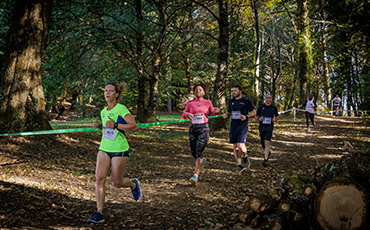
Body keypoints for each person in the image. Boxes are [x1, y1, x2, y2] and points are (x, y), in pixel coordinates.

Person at [88, 82, 141, 223]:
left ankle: (133, 184)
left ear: (116, 94)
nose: (107, 93)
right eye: (106, 90)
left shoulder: (121, 109)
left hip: (119, 149)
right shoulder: (103, 111)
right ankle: (99, 213)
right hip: (104, 147)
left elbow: (134, 126)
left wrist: (116, 124)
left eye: (111, 91)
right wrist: (99, 126)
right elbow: (108, 129)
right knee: (99, 179)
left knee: (117, 183)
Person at [182, 83, 220, 185]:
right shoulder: (190, 103)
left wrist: (216, 111)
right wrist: (187, 114)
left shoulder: (208, 102)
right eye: (196, 90)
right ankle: (201, 161)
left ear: (204, 92)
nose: (198, 91)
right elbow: (184, 114)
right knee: (193, 152)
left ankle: (195, 175)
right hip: (193, 129)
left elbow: (212, 112)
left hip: (204, 129)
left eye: (200, 90)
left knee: (199, 151)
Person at [223, 84, 256, 173]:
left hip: (242, 126)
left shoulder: (246, 101)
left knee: (240, 146)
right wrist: (226, 115)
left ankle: (245, 156)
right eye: (233, 91)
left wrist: (246, 116)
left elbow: (254, 111)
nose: (234, 92)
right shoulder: (231, 101)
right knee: (235, 147)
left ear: (240, 91)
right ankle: (239, 165)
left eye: (235, 91)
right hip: (233, 125)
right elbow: (229, 112)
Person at [255, 94, 279, 167]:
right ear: (265, 99)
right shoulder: (261, 107)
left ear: (271, 99)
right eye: (266, 98)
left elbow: (277, 115)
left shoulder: (273, 108)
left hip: (269, 127)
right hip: (262, 127)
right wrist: (259, 119)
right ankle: (268, 152)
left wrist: (275, 119)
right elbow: (256, 115)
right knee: (263, 143)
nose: (267, 99)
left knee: (267, 143)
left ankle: (265, 160)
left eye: (269, 98)